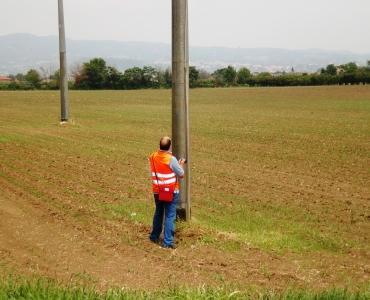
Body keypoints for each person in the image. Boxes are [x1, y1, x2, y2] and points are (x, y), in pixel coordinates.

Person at [148, 136, 186, 249]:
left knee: (158, 213)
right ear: (170, 146)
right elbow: (181, 174)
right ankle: (168, 242)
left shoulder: (153, 156)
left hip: (157, 190)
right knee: (170, 215)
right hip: (171, 191)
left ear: (159, 145)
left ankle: (154, 236)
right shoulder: (171, 159)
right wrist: (181, 165)